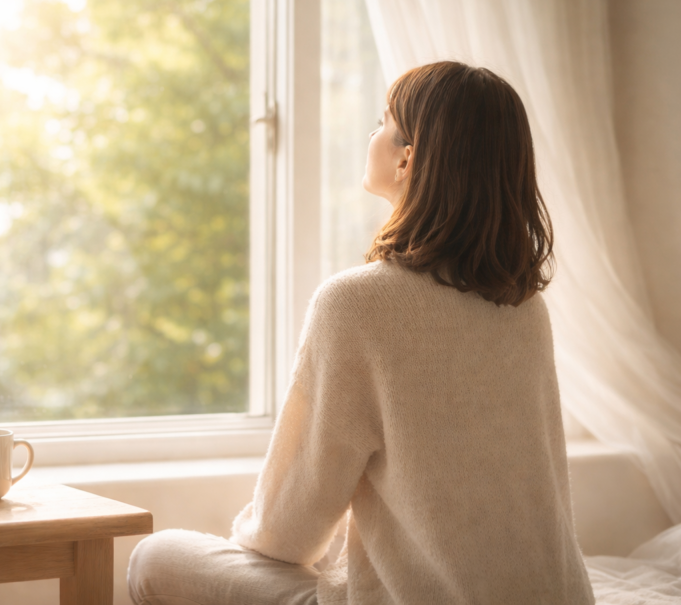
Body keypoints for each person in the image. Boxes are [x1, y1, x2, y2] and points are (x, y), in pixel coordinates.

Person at [127, 61, 595, 605]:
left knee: (153, 558)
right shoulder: (525, 307)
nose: (371, 134)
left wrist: (268, 544)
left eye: (381, 121)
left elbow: (287, 535)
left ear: (407, 158)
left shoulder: (356, 303)